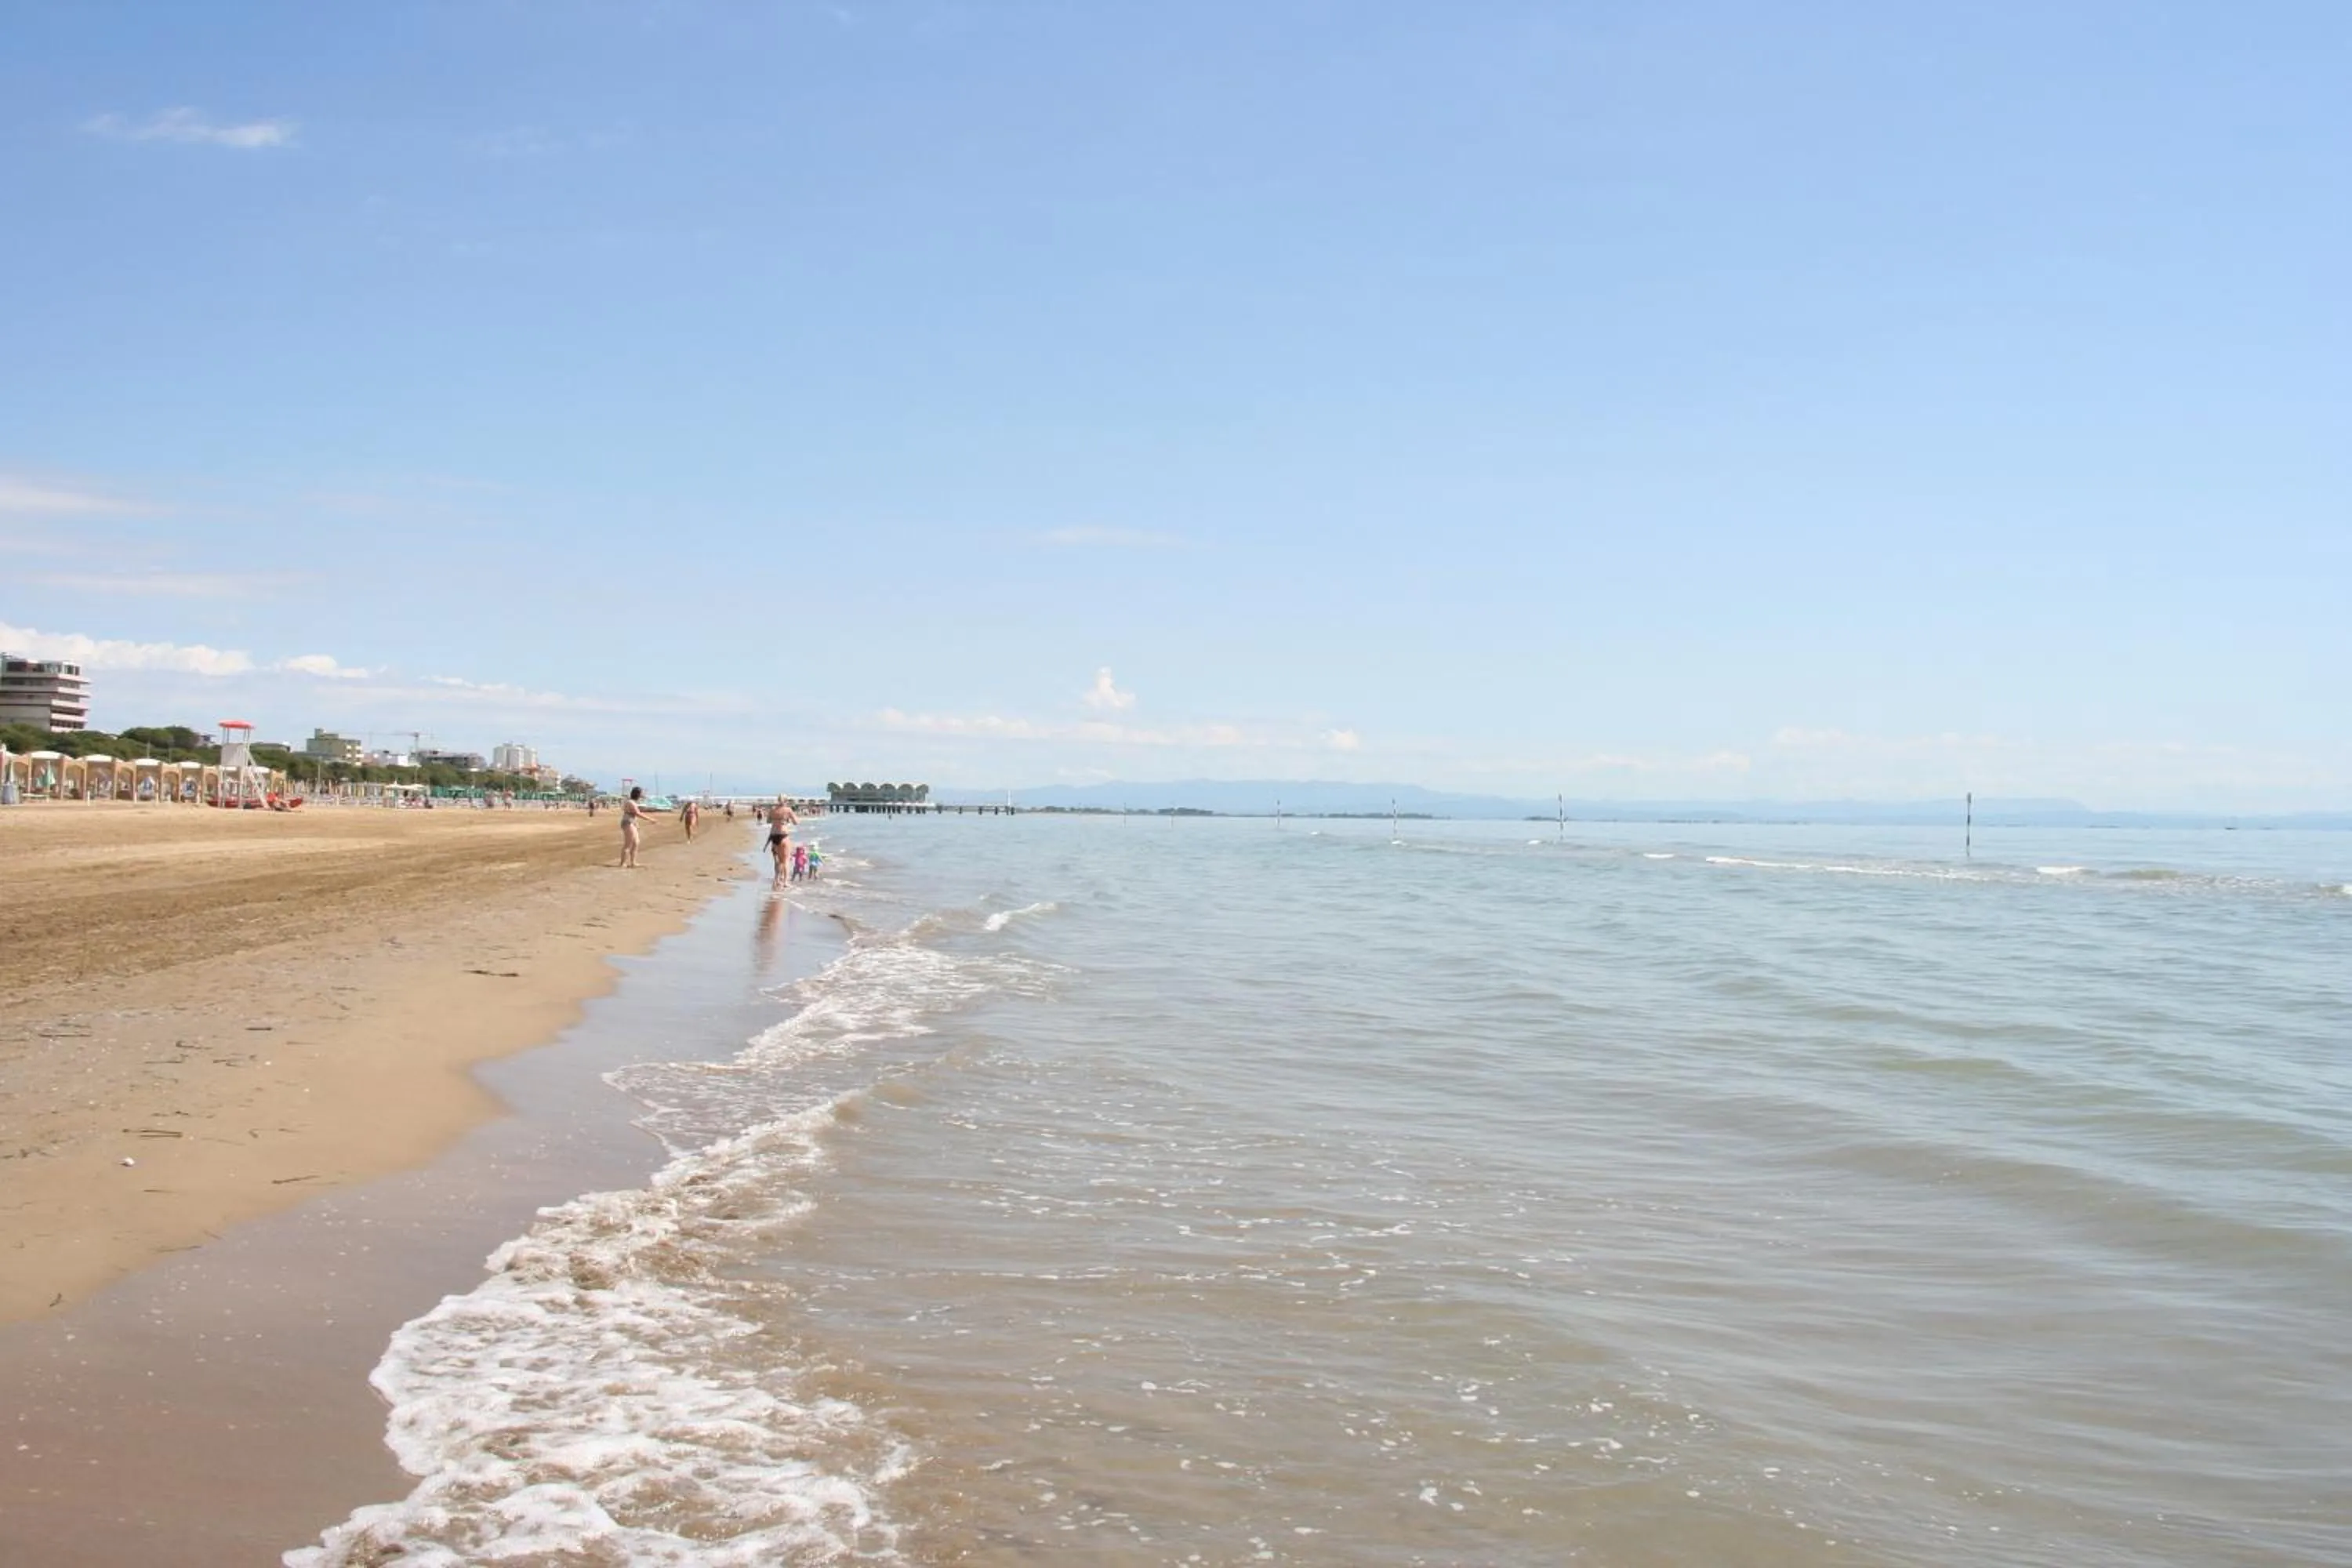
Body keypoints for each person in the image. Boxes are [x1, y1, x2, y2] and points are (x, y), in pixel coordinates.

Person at [619, 786, 657, 869]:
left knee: (636, 842)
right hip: (628, 822)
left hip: (632, 822)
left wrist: (636, 824)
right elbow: (637, 813)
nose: (642, 795)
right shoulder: (631, 802)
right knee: (628, 844)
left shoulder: (632, 802)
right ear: (637, 794)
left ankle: (633, 862)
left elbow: (634, 815)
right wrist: (651, 819)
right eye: (641, 793)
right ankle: (622, 863)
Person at [766, 797, 799, 887]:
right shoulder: (788, 810)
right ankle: (785, 882)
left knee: (777, 860)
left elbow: (768, 821)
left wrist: (776, 819)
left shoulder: (773, 809)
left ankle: (776, 879)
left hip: (773, 836)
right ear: (786, 801)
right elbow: (796, 822)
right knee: (786, 860)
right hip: (783, 835)